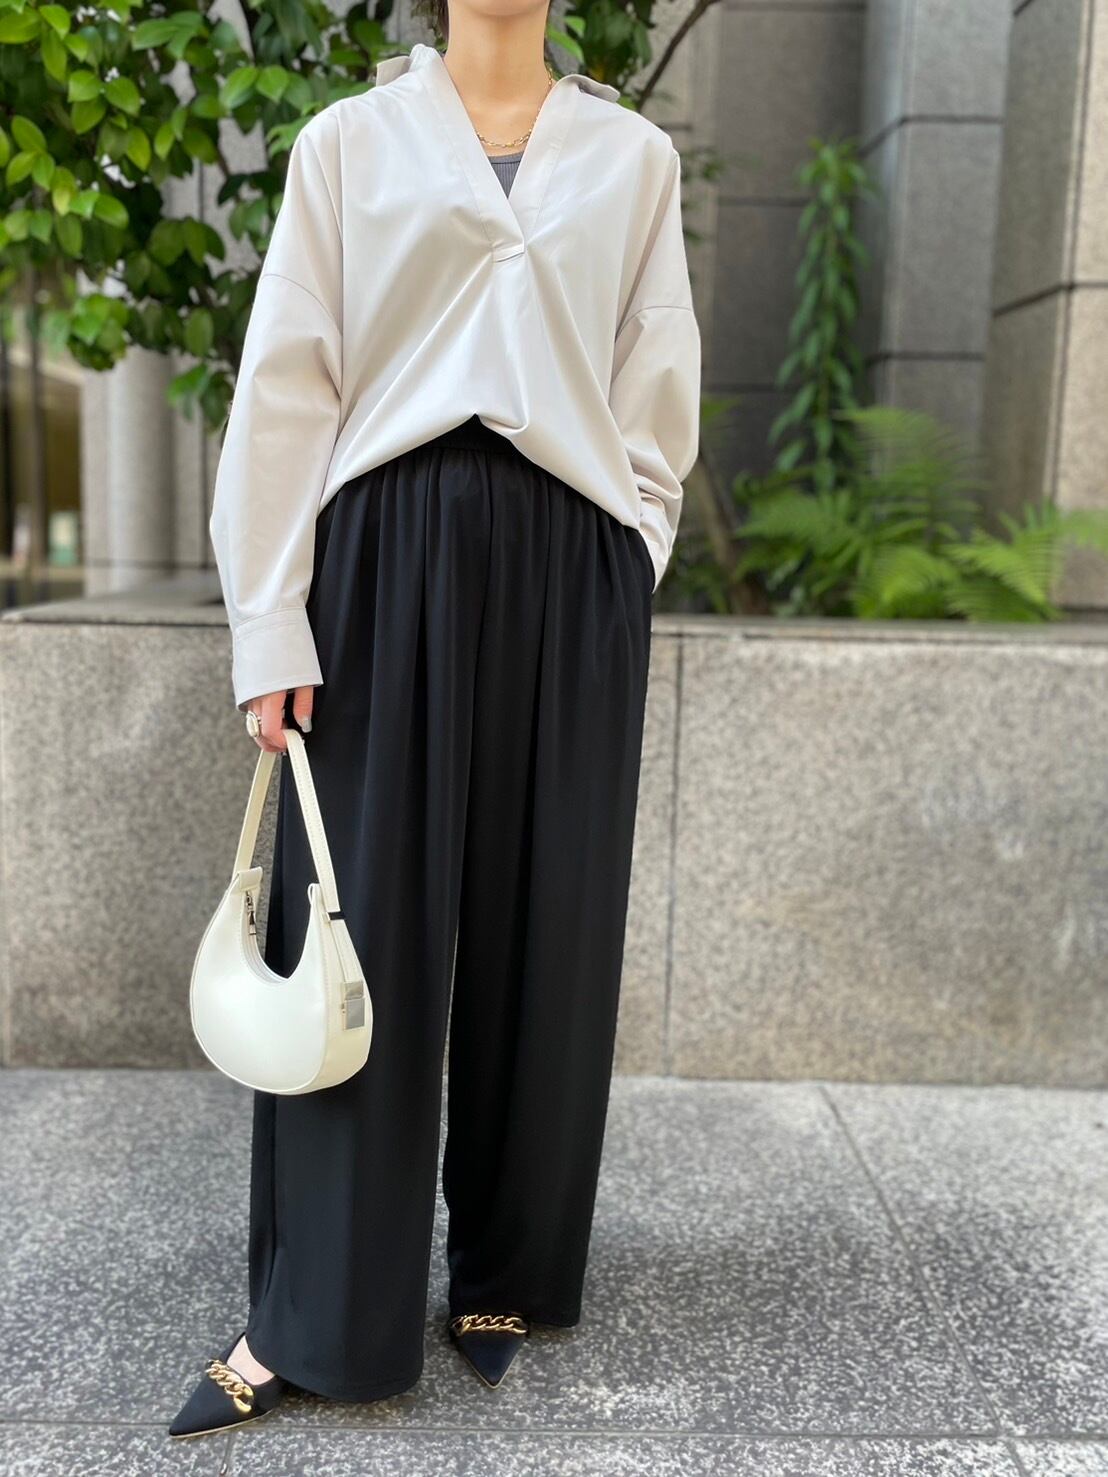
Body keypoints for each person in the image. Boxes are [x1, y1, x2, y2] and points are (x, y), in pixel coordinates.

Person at [170, 0, 701, 1440]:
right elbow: (288, 382)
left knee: (550, 923)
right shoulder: (351, 142)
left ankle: (507, 1272)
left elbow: (656, 376)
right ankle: (317, 1307)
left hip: (571, 562)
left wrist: (629, 556)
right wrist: (271, 620)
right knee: (360, 925)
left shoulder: (633, 159)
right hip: (384, 561)